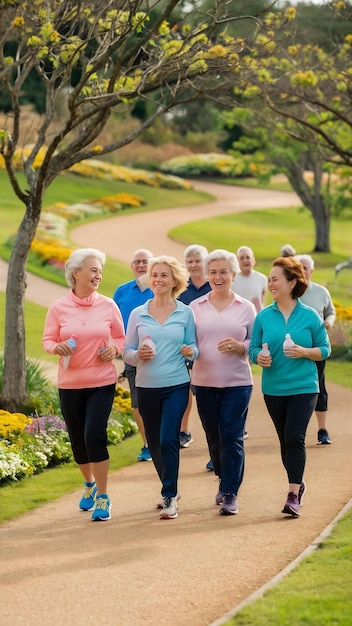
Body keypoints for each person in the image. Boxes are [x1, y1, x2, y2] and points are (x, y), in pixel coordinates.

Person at [42, 248, 125, 521]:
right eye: (92, 270)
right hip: (70, 384)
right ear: (75, 273)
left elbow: (121, 338)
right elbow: (47, 342)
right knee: (78, 441)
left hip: (101, 381)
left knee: (94, 435)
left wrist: (114, 351)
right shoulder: (58, 307)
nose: (98, 275)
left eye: (100, 271)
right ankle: (89, 484)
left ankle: (103, 496)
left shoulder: (108, 305)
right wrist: (58, 347)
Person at [249, 257, 331, 517]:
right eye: (269, 279)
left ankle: (292, 493)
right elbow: (253, 348)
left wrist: (304, 351)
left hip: (304, 387)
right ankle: (299, 481)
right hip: (274, 388)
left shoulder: (309, 316)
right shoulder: (263, 317)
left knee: (295, 436)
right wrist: (257, 357)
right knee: (285, 440)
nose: (270, 283)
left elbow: (325, 350)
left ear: (292, 282)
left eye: (275, 279)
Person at [123, 255, 199, 520]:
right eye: (155, 275)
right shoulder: (138, 313)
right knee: (154, 442)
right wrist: (137, 356)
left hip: (177, 384)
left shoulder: (185, 312)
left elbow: (193, 347)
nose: (158, 279)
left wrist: (191, 351)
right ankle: (170, 487)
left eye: (164, 275)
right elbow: (127, 351)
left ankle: (169, 495)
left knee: (169, 438)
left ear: (174, 280)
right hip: (146, 386)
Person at [190, 249, 256, 516]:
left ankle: (230, 492)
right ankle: (222, 475)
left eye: (223, 272)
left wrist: (241, 346)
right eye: (213, 272)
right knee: (214, 437)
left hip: (238, 383)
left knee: (231, 435)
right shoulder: (195, 307)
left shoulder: (246, 307)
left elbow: (257, 343)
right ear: (208, 275)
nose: (218, 276)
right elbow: (188, 342)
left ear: (233, 274)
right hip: (204, 383)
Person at [112, 248, 154, 462]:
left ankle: (163, 441)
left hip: (160, 355)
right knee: (137, 402)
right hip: (131, 355)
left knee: (160, 400)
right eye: (136, 261)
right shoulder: (121, 291)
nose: (140, 265)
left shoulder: (160, 289)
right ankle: (147, 444)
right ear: (131, 266)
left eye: (145, 261)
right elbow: (112, 321)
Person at [295, 254, 336, 445]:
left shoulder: (321, 291)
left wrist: (329, 321)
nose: (302, 270)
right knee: (296, 388)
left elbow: (331, 311)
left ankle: (322, 430)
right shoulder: (291, 291)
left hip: (318, 347)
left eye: (305, 267)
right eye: (299, 267)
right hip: (294, 349)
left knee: (319, 386)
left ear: (311, 270)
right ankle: (297, 429)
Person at [177, 244, 211, 449]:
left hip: (209, 345)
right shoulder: (181, 288)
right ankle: (184, 431)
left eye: (197, 260)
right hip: (186, 346)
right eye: (189, 261)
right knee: (184, 390)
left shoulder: (213, 285)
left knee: (207, 391)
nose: (193, 265)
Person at [232, 245, 268, 313]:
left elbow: (262, 302)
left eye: (248, 257)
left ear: (253, 260)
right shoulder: (232, 279)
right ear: (237, 262)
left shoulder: (262, 279)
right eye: (241, 258)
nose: (245, 260)